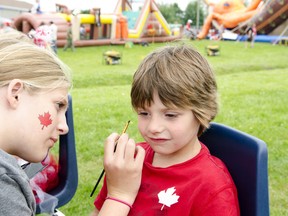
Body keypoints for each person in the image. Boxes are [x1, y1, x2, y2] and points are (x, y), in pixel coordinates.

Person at [0, 31, 145, 216]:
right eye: (58, 105)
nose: (64, 127)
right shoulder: (4, 185)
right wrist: (119, 195)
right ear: (15, 93)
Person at [93, 44, 240, 215]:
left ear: (203, 112)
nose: (153, 127)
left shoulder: (212, 188)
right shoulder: (128, 164)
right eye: (144, 113)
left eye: (170, 115)